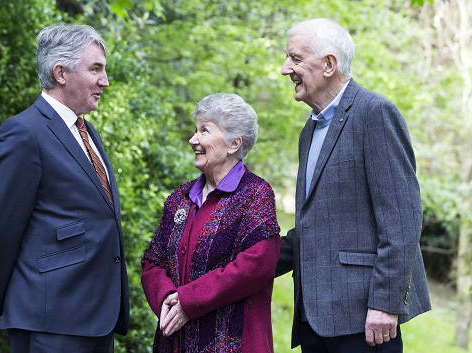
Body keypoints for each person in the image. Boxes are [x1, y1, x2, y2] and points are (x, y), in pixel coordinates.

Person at [275, 18, 431, 353]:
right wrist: (237, 262)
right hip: (314, 318)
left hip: (365, 320)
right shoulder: (309, 131)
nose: (285, 68)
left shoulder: (375, 113)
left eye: (295, 59)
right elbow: (311, 227)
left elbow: (402, 221)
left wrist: (385, 303)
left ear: (329, 64)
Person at [0, 24, 129, 353]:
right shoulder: (23, 132)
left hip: (97, 316)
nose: (105, 81)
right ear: (61, 72)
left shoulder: (88, 132)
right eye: (96, 69)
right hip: (50, 318)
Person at [141, 93, 281, 353]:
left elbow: (255, 266)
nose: (193, 140)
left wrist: (188, 301)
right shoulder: (179, 198)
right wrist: (166, 299)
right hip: (176, 343)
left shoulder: (255, 194)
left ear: (233, 143)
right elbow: (153, 261)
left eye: (204, 130)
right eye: (195, 130)